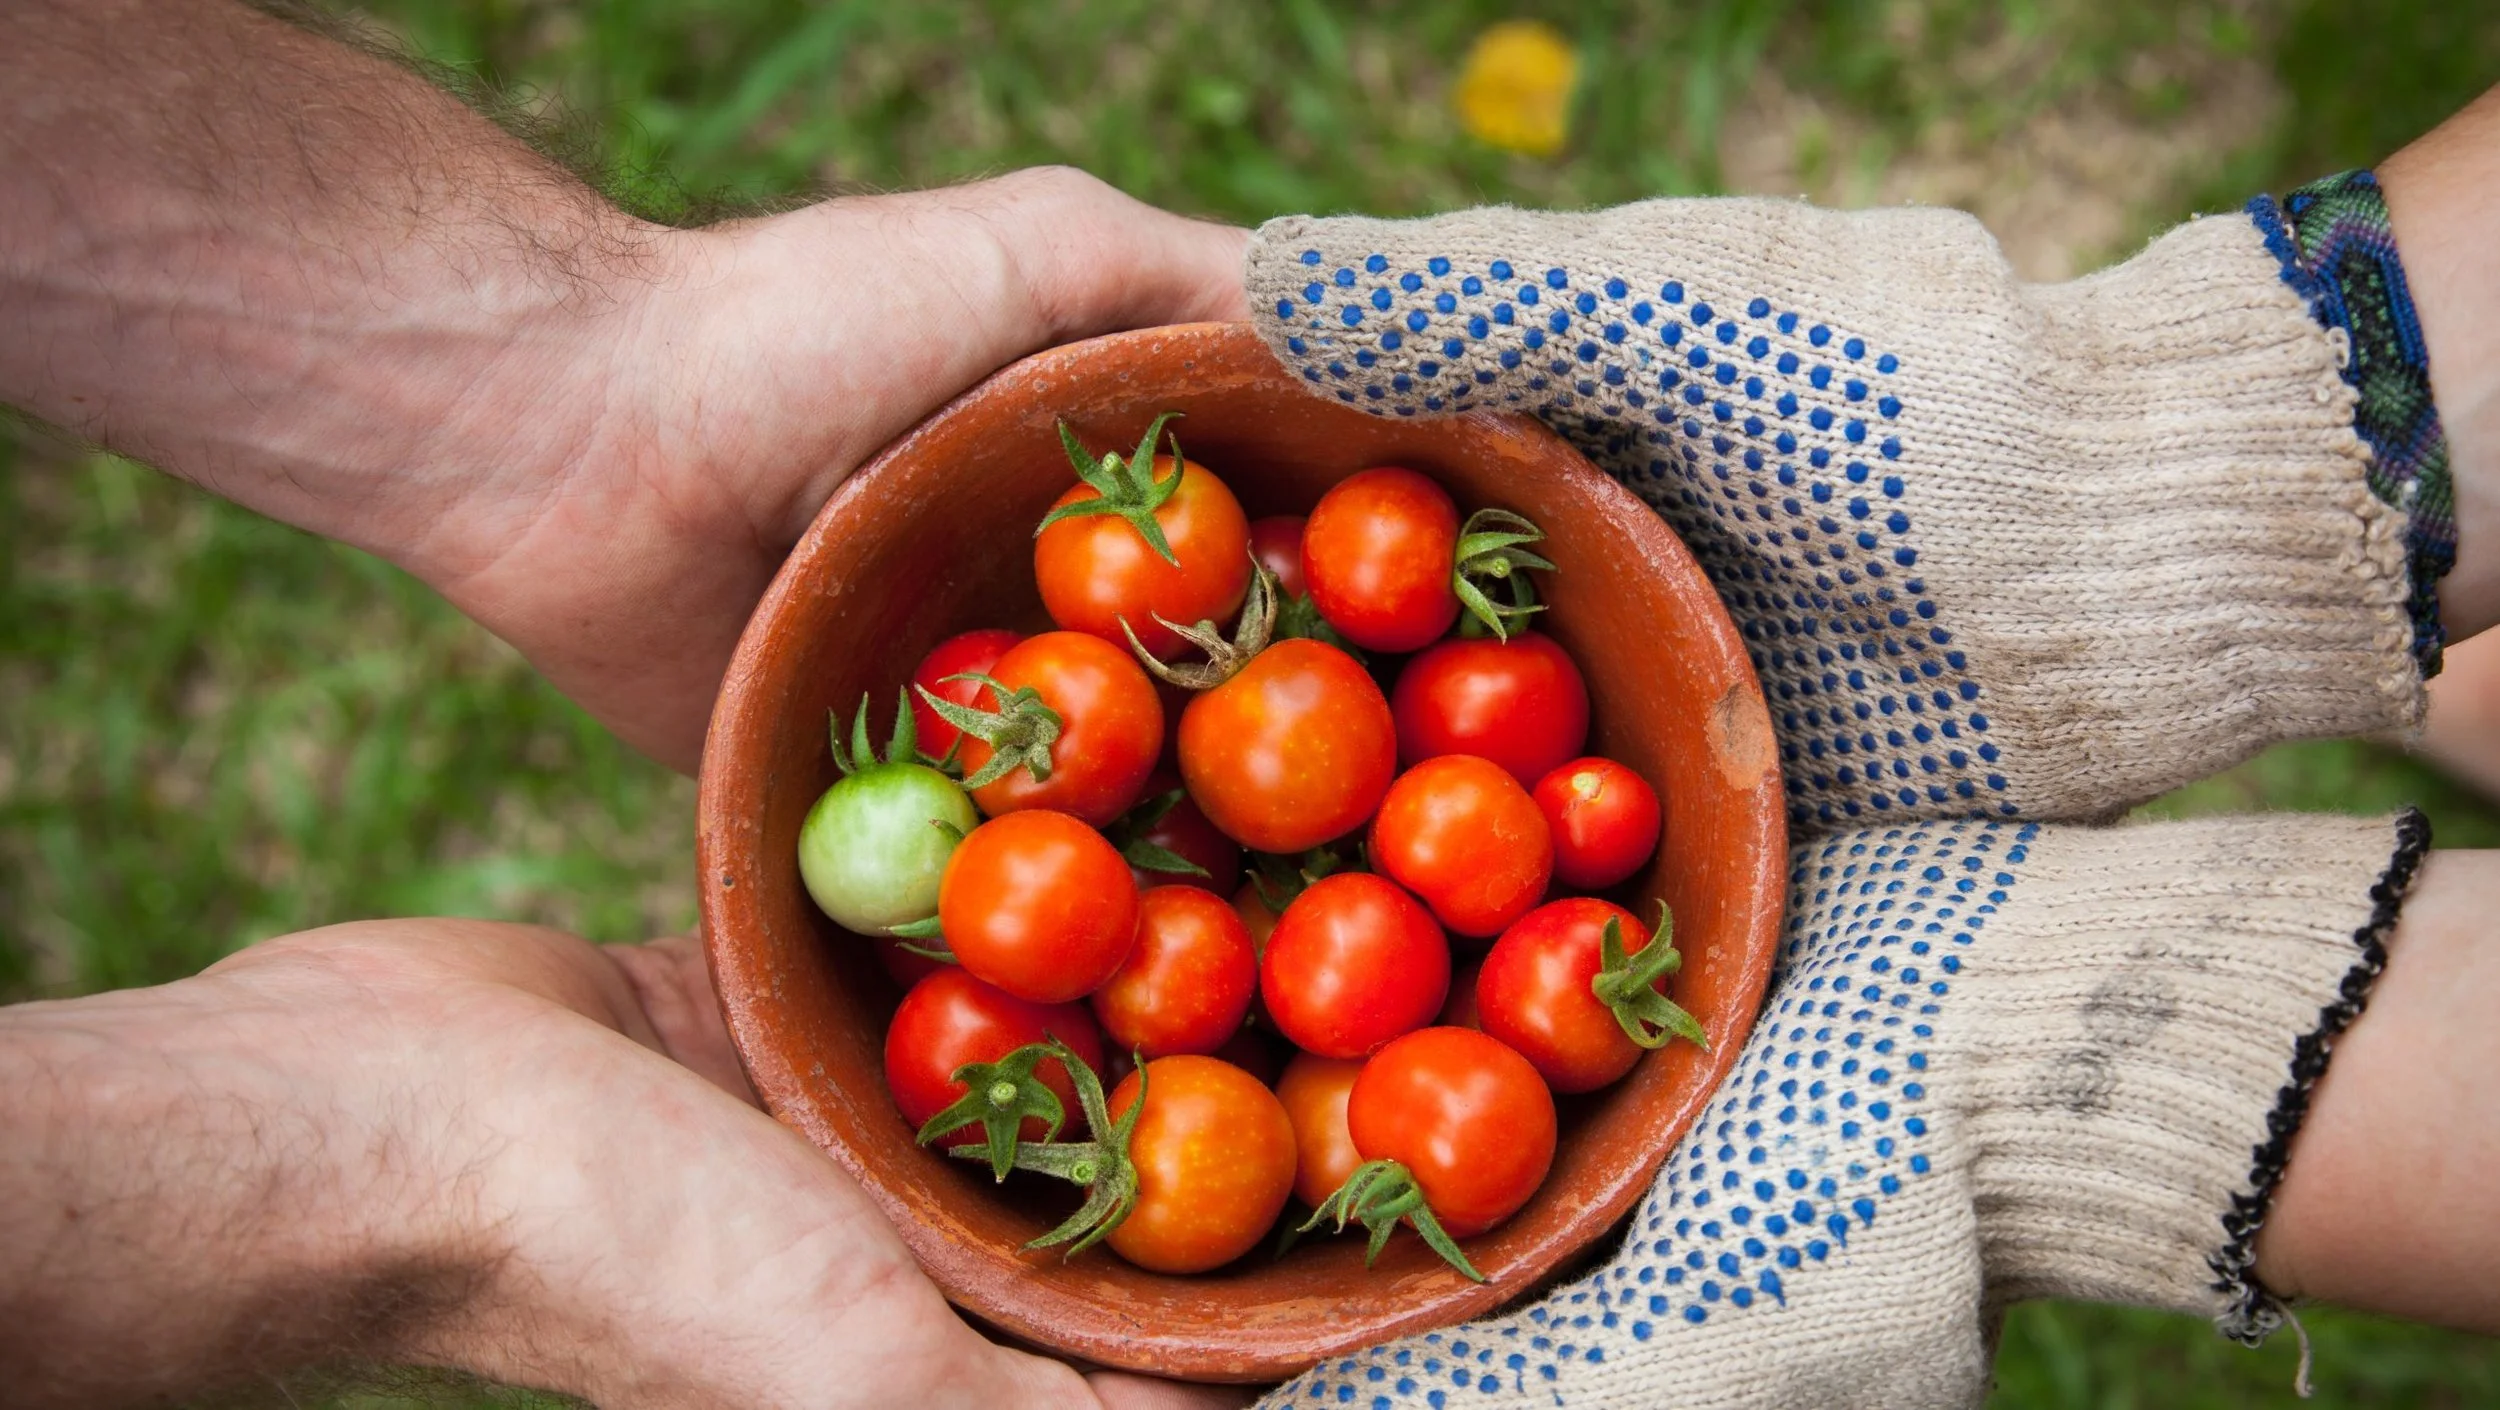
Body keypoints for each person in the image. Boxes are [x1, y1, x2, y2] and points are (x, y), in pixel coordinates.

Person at [3, 0, 2495, 1405]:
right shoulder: (1165, 912)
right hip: (1361, 964)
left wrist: (2161, 458)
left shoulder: (1158, 807)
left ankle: (2389, 621)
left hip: (1373, 931)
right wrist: (392, 1167)